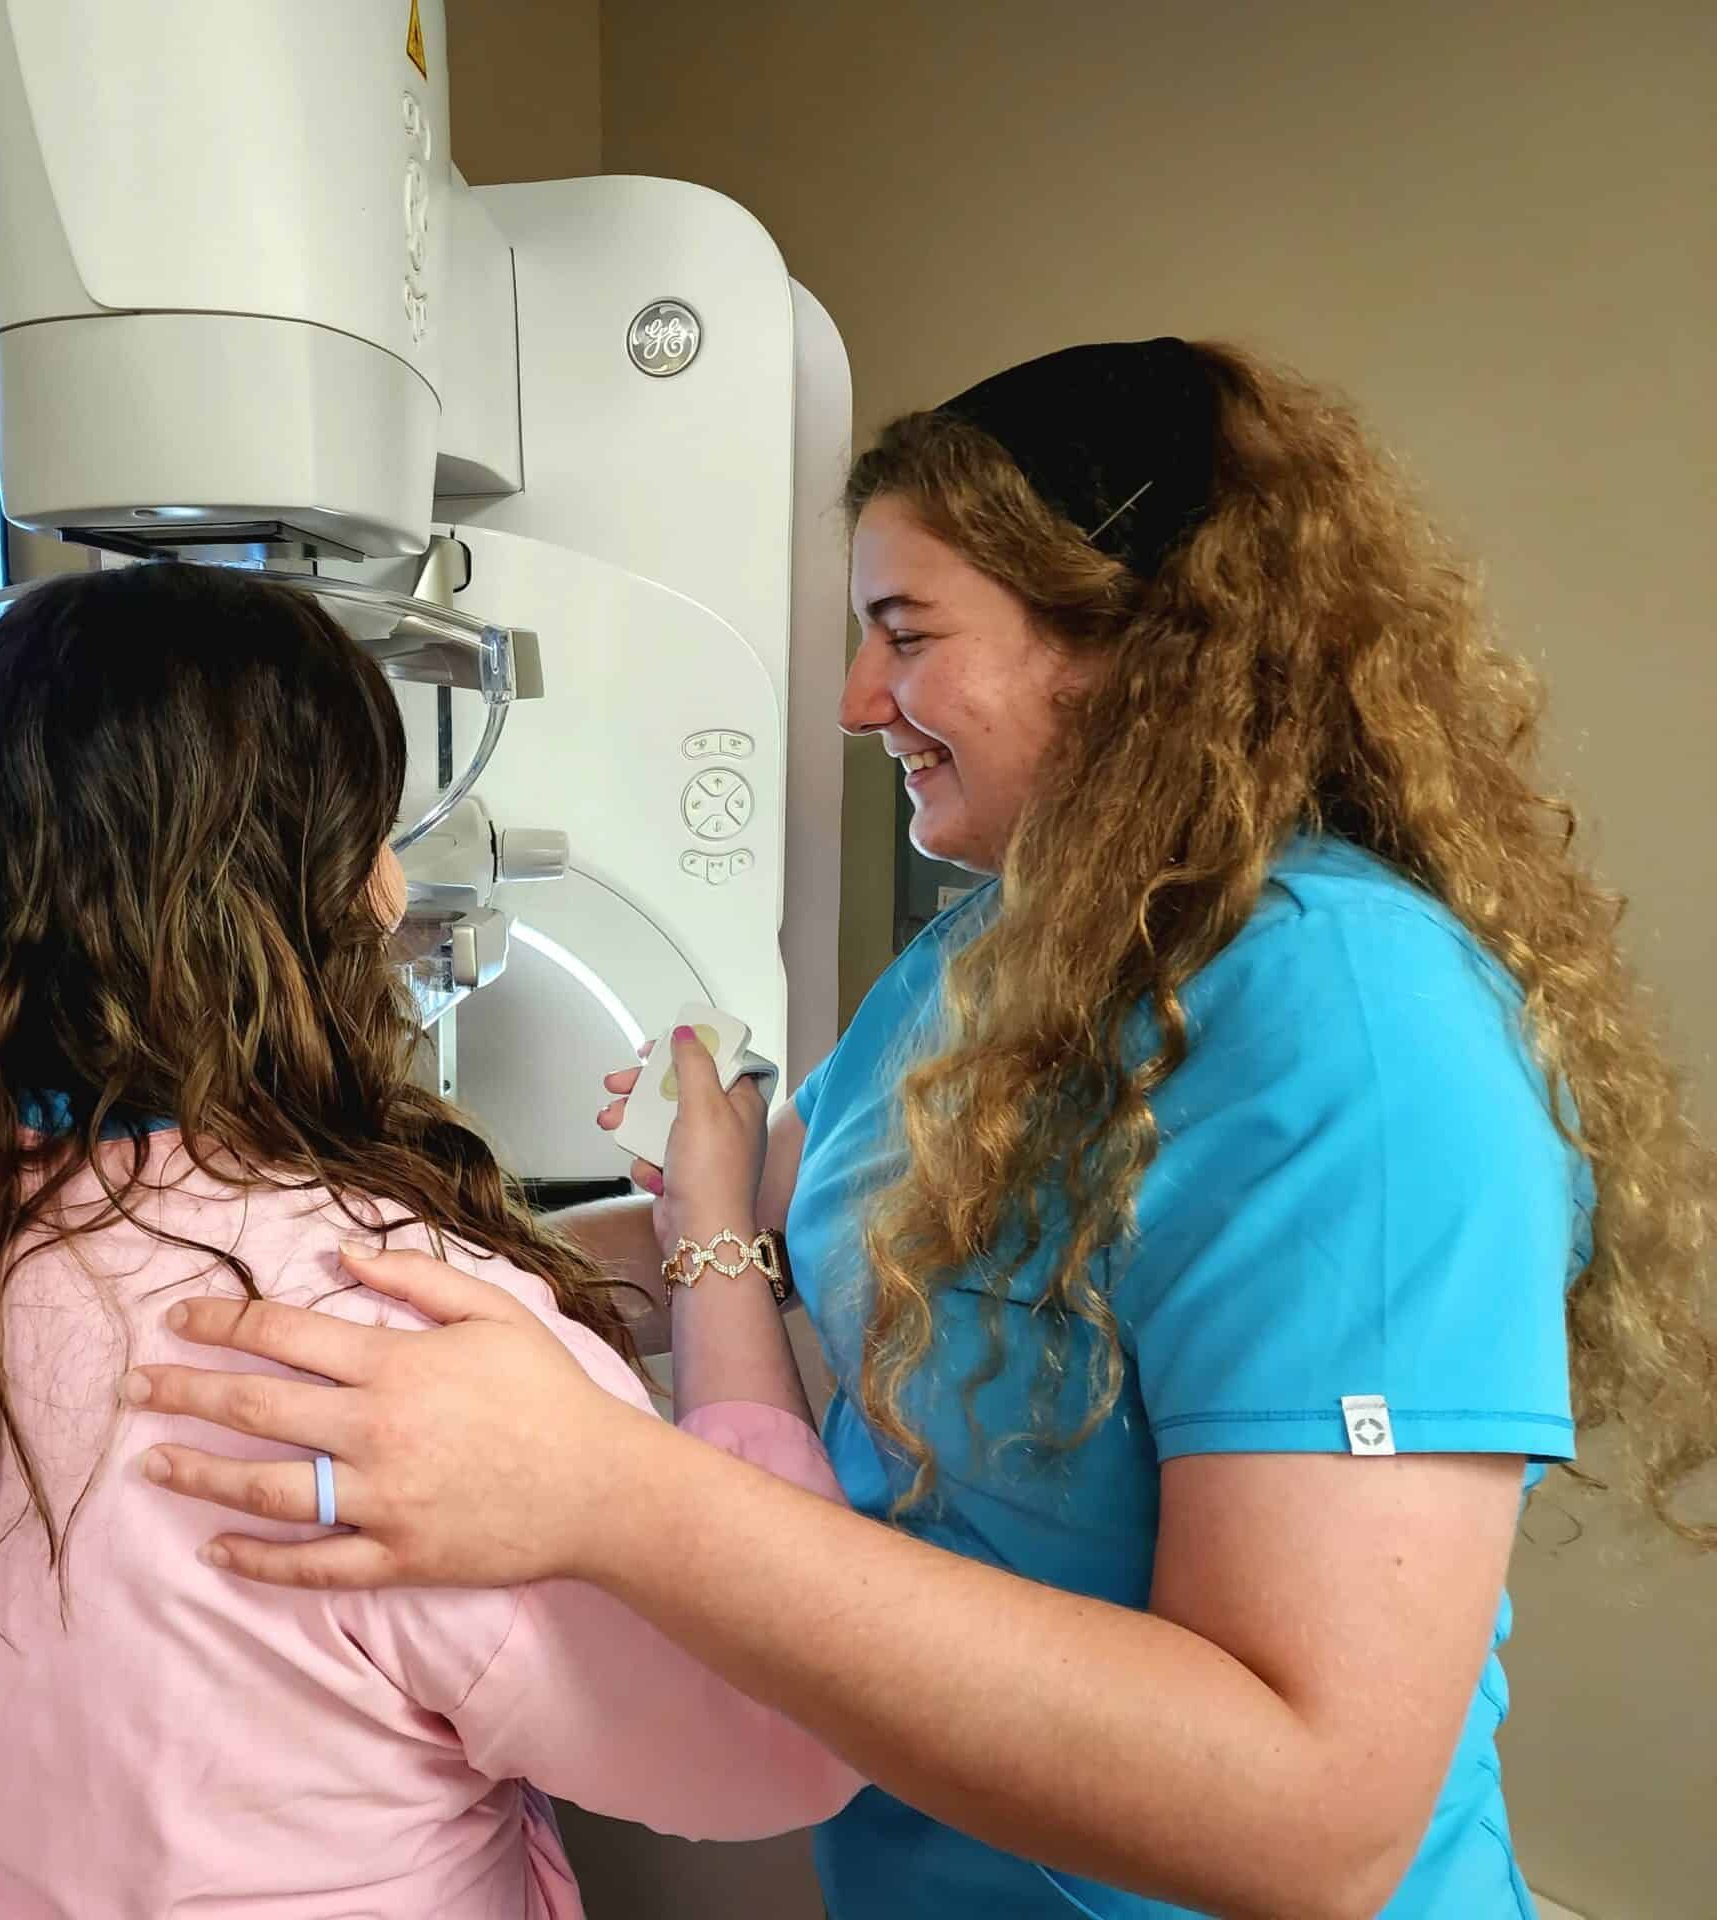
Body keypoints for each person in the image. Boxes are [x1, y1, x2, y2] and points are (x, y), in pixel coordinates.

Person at [124, 339, 1717, 1918]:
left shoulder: (1356, 1032)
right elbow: (736, 1236)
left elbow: (1314, 1816)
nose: (855, 699)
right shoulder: (996, 957)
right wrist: (278, 1272)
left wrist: (602, 1486)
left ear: (1140, 649)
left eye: (907, 636)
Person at [0, 561, 858, 1918]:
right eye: (371, 830)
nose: (397, 887)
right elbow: (779, 1742)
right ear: (303, 901)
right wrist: (717, 1254)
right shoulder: (411, 1344)